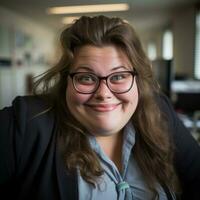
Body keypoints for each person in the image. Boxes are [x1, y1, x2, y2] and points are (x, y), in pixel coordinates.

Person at [0, 15, 200, 200]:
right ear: (66, 83)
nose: (103, 93)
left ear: (138, 80)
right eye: (86, 78)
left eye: (119, 76)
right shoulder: (24, 123)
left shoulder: (160, 111)